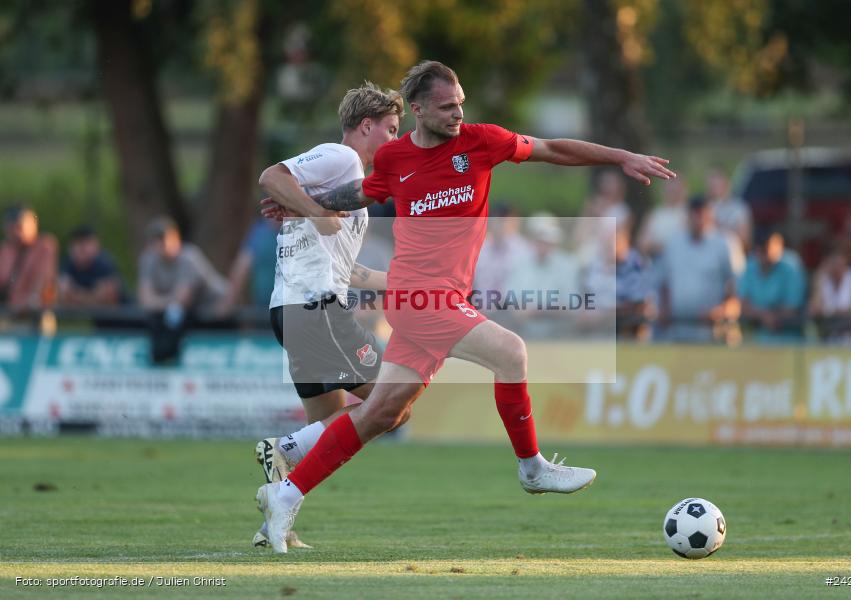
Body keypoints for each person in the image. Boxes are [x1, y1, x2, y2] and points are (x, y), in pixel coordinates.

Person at [255, 60, 675, 553]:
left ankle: (284, 494)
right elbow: (357, 192)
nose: (458, 112)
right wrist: (302, 201)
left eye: (461, 102)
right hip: (418, 296)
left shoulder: (482, 141)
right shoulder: (393, 158)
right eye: (446, 106)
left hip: (444, 298)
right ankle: (533, 467)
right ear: (417, 110)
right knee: (511, 352)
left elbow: (552, 148)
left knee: (382, 413)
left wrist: (620, 156)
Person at [254, 81, 403, 548]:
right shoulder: (343, 159)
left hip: (296, 309)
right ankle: (282, 450)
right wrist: (315, 211)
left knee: (334, 431)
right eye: (392, 129)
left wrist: (406, 282)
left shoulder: (346, 185)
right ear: (365, 126)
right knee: (390, 404)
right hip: (313, 308)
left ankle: (274, 521)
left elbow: (348, 269)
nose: (396, 141)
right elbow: (270, 176)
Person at [138, 217, 228, 362]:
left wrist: (159, 301)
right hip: (187, 312)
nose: (161, 244)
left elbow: (182, 299)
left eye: (164, 238)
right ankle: (161, 356)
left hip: (216, 310)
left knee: (174, 316)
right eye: (157, 239)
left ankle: (168, 355)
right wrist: (168, 300)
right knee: (162, 320)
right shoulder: (149, 259)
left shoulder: (189, 258)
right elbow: (146, 300)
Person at [657, 196, 738, 342]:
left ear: (710, 215)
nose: (697, 219)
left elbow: (736, 286)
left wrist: (721, 311)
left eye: (701, 213)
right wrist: (664, 310)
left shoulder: (725, 244)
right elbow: (663, 282)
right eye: (694, 214)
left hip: (712, 332)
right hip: (677, 330)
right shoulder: (674, 243)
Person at [506, 212, 578, 338]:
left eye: (547, 240)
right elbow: (509, 299)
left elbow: (572, 304)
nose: (543, 244)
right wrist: (521, 312)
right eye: (539, 239)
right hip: (523, 328)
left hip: (558, 328)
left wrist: (541, 310)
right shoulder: (519, 264)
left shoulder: (567, 265)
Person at [738, 231, 806, 343]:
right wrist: (763, 316)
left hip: (789, 339)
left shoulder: (791, 266)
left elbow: (792, 308)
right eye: (763, 250)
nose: (767, 254)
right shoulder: (750, 266)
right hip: (756, 339)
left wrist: (771, 316)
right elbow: (743, 305)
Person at [0, 205, 57, 313]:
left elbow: (45, 283)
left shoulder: (45, 247)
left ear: (33, 224)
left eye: (19, 227)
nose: (16, 232)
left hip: (35, 313)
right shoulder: (5, 250)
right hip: (8, 313)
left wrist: (27, 302)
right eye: (11, 228)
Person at [808, 241, 851, 342]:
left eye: (838, 259)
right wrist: (818, 281)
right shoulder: (823, 280)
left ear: (845, 260)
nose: (835, 265)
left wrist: (831, 313)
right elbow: (814, 310)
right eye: (832, 260)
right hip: (829, 337)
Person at [58, 225, 127, 307]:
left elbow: (109, 297)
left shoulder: (104, 263)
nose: (80, 248)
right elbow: (62, 293)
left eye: (84, 243)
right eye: (77, 243)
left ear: (96, 245)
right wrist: (92, 295)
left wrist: (76, 295)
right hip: (93, 316)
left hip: (126, 316)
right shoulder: (69, 263)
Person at [637, 177, 688, 259]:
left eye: (675, 189)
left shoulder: (688, 213)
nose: (673, 192)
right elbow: (642, 243)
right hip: (656, 260)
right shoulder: (654, 214)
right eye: (670, 189)